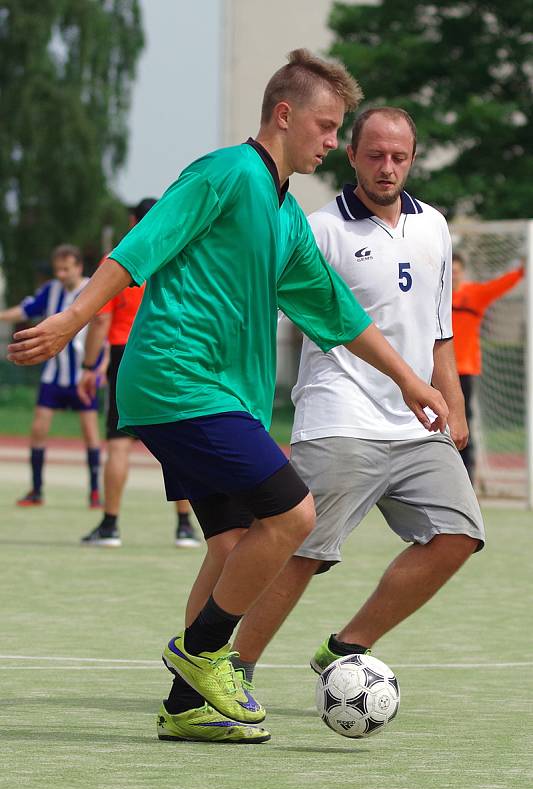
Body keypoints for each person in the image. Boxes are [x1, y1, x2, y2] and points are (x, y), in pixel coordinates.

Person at [8, 53, 449, 745]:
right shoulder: (224, 173)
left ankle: (186, 704)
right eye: (326, 126)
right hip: (177, 379)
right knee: (293, 513)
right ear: (283, 115)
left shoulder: (284, 216)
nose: (333, 142)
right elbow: (139, 247)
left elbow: (337, 311)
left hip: (222, 396)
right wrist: (69, 320)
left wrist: (409, 379)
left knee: (233, 542)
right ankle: (205, 651)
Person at [232, 107, 485, 687]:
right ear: (351, 155)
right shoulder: (320, 229)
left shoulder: (435, 227)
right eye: (374, 155)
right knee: (304, 552)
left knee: (459, 536)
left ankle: (347, 645)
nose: (386, 167)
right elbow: (267, 313)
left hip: (418, 419)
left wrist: (455, 402)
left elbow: (440, 327)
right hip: (339, 414)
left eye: (398, 157)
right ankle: (234, 669)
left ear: (413, 159)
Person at [78, 198, 198, 548]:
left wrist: (89, 366)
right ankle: (185, 527)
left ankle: (110, 525)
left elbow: (100, 318)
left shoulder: (121, 258)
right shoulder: (180, 256)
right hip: (170, 352)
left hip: (125, 352)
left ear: (133, 221)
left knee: (118, 444)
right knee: (175, 443)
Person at [0, 244, 101, 508]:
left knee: (91, 432)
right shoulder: (51, 291)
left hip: (82, 375)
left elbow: (105, 326)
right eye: (57, 269)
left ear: (78, 267)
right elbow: (25, 310)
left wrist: (100, 367)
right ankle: (36, 490)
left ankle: (94, 491)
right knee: (38, 429)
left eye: (66, 269)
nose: (61, 274)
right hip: (54, 374)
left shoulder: (94, 289)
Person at [451, 252, 525, 483]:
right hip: (435, 370)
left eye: (456, 271)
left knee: (464, 422)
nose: (453, 275)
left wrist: (522, 269)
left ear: (462, 272)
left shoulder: (475, 294)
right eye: (449, 271)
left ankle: (467, 479)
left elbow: (501, 285)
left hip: (464, 370)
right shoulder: (435, 294)